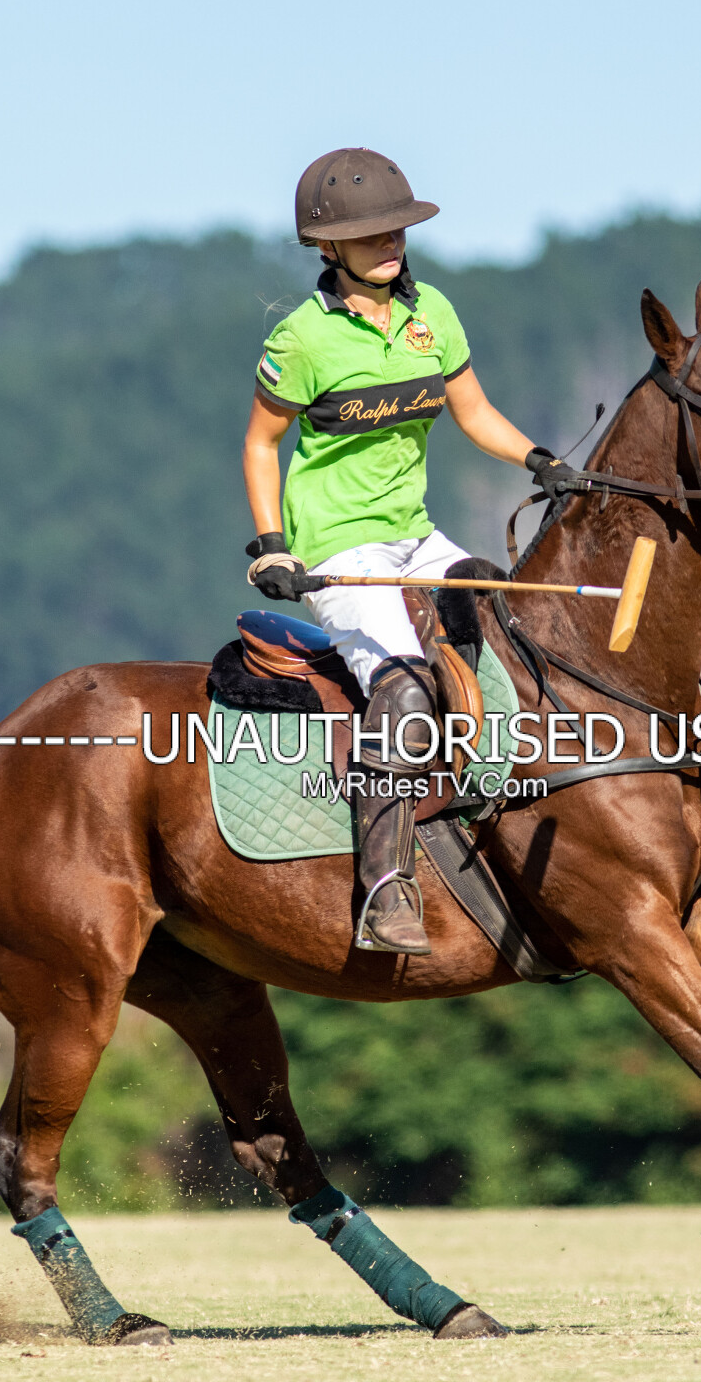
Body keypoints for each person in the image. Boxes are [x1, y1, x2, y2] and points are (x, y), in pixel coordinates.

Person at [241, 147, 566, 956]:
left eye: (396, 228)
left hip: (415, 534)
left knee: (499, 608)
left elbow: (474, 412)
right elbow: (260, 444)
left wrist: (541, 461)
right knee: (404, 689)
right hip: (337, 544)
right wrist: (274, 547)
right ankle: (385, 886)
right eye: (369, 234)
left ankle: (490, 801)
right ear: (327, 246)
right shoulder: (302, 338)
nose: (389, 243)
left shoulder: (432, 314)